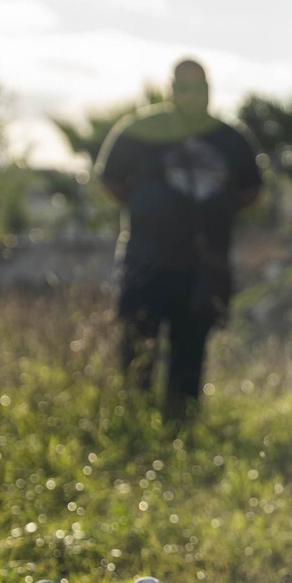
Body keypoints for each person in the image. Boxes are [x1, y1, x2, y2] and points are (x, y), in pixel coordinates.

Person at [97, 58, 262, 419]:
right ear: (170, 89)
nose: (190, 95)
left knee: (190, 351)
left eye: (198, 87)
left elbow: (251, 189)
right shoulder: (140, 130)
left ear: (209, 90)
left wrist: (214, 211)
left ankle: (181, 429)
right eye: (182, 87)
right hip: (145, 260)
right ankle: (133, 424)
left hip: (204, 264)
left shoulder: (229, 138)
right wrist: (149, 209)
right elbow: (109, 179)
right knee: (138, 347)